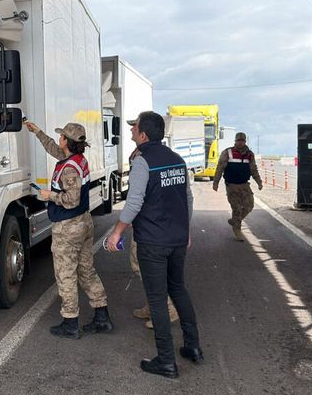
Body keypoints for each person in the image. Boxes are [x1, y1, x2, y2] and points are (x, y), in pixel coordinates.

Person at [106, 111, 202, 379]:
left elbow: (134, 202)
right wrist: (186, 230)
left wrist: (116, 233)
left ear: (144, 134)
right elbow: (188, 199)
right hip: (177, 239)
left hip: (153, 241)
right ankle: (193, 347)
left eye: (134, 127)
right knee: (178, 289)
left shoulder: (143, 162)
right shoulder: (177, 159)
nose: (131, 130)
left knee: (158, 299)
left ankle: (166, 361)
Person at [26, 120, 112, 339]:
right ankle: (102, 316)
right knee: (86, 271)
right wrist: (38, 132)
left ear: (66, 141)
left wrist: (50, 196)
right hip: (83, 222)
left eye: (62, 136)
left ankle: (70, 322)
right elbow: (54, 149)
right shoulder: (77, 159)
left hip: (69, 226)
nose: (59, 139)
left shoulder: (70, 169)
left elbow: (71, 200)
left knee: (66, 274)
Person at [126, 145, 180, 331]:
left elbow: (138, 195)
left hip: (148, 224)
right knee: (143, 266)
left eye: (134, 130)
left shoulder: (145, 158)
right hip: (155, 222)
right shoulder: (165, 157)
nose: (132, 132)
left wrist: (123, 224)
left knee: (143, 266)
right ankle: (152, 306)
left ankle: (168, 309)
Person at [212, 131, 263, 242]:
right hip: (231, 185)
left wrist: (259, 182)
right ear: (235, 141)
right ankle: (237, 230)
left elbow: (253, 169)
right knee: (237, 208)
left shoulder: (250, 154)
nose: (240, 142)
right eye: (238, 140)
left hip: (244, 185)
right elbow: (220, 168)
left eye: (242, 140)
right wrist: (216, 182)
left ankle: (235, 220)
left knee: (249, 206)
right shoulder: (228, 152)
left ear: (245, 141)